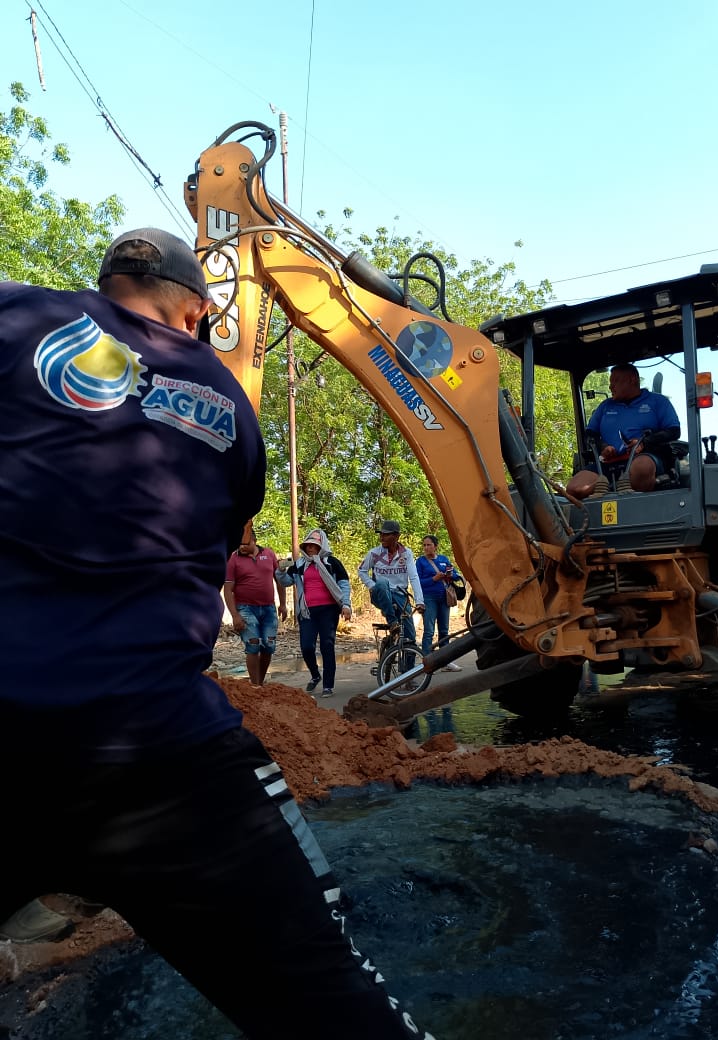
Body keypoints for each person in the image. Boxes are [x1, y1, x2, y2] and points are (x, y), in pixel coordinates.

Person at [0, 228, 436, 1039]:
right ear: (199, 311)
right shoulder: (227, 401)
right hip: (159, 751)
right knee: (330, 995)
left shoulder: (19, 314)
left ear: (105, 284)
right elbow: (219, 528)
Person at [566, 363, 681, 499]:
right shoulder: (605, 406)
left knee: (642, 469)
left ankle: (607, 488)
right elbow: (591, 434)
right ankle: (609, 486)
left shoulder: (658, 401)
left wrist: (644, 442)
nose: (610, 387)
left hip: (642, 458)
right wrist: (603, 446)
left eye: (615, 381)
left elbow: (673, 431)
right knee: (573, 488)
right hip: (608, 465)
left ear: (632, 380)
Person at [277, 527, 352, 698]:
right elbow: (286, 581)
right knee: (306, 647)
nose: (310, 549)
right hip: (307, 612)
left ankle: (328, 685)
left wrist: (346, 605)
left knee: (327, 645)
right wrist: (280, 570)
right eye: (308, 546)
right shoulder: (299, 565)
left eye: (314, 546)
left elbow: (344, 584)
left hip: (329, 610)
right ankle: (315, 675)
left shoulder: (332, 563)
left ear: (321, 546)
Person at [223, 524, 288, 686]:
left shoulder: (269, 554)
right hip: (245, 608)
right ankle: (256, 685)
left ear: (254, 540)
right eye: (240, 544)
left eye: (245, 543)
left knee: (268, 645)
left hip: (268, 608)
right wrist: (235, 615)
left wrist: (283, 604)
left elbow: (279, 580)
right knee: (253, 644)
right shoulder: (233, 559)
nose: (242, 547)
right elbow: (228, 589)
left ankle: (260, 681)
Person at [358, 519, 425, 648]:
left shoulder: (406, 554)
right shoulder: (374, 553)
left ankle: (408, 667)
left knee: (410, 638)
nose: (381, 537)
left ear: (396, 536)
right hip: (381, 594)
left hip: (400, 595)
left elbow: (414, 577)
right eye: (381, 534)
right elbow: (362, 571)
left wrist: (419, 601)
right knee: (382, 583)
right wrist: (372, 586)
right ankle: (392, 621)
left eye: (386, 534)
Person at [415, 534, 463, 670]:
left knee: (444, 629)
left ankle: (446, 660)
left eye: (428, 545)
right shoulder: (420, 562)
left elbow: (455, 575)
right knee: (429, 630)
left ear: (435, 546)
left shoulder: (443, 559)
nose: (426, 547)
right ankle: (427, 661)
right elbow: (417, 582)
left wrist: (450, 574)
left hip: (444, 597)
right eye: (424, 545)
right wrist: (433, 579)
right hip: (429, 598)